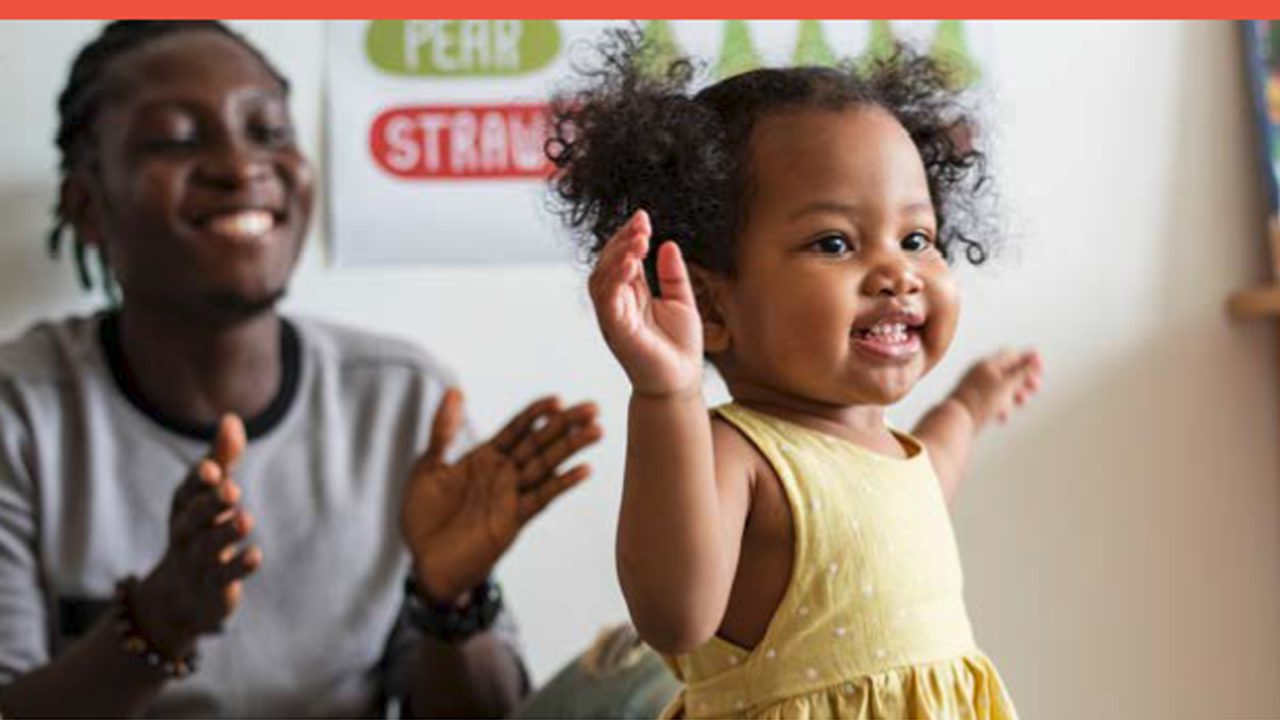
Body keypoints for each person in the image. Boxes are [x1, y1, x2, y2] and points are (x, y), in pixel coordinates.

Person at [0, 20, 601, 718]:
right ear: (87, 208)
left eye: (269, 132)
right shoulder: (20, 413)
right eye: (176, 139)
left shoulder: (404, 402)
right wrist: (152, 626)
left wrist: (449, 604)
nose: (239, 165)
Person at [547, 30, 1042, 719]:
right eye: (834, 242)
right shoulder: (740, 454)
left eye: (916, 239)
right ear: (713, 304)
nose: (898, 272)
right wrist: (667, 393)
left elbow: (933, 471)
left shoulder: (891, 451)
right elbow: (674, 614)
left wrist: (972, 402)